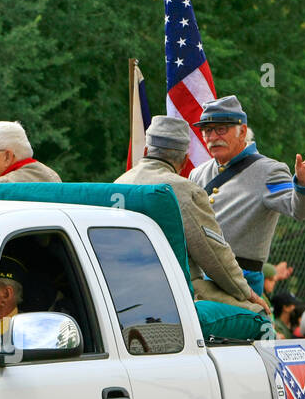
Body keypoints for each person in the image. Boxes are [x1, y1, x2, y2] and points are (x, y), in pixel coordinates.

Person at [114, 115, 269, 314]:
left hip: (120, 286)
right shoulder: (184, 190)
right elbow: (213, 254)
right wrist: (246, 292)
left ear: (146, 151)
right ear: (185, 160)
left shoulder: (117, 184)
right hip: (178, 289)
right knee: (259, 315)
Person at [187, 95, 305, 293]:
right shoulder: (198, 174)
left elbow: (300, 211)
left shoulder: (269, 172)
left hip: (239, 282)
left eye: (221, 129)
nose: (213, 137)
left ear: (243, 132)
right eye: (207, 130)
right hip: (196, 279)